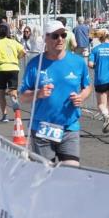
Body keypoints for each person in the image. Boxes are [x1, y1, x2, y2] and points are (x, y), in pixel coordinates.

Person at [19, 19, 92, 166]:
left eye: (63, 35)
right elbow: (22, 96)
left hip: (69, 127)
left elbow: (88, 87)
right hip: (42, 128)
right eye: (55, 36)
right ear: (45, 38)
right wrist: (38, 93)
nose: (60, 39)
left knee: (71, 171)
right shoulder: (35, 64)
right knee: (46, 175)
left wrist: (81, 97)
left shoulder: (78, 62)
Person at [0, 24, 25, 123]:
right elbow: (24, 52)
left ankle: (5, 115)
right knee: (13, 90)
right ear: (7, 33)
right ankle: (15, 104)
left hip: (2, 68)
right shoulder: (13, 42)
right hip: (13, 67)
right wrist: (18, 57)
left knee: (1, 93)